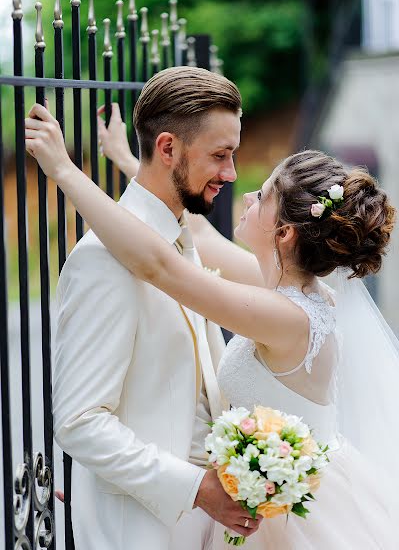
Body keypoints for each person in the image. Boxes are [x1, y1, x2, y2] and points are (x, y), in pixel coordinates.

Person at [25, 96, 399, 548]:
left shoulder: (285, 315)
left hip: (294, 520)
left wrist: (63, 171)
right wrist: (132, 158)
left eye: (263, 196)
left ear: (283, 233)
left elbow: (161, 266)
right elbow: (193, 232)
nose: (244, 191)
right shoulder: (292, 290)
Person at [27, 67, 264, 550]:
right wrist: (196, 489)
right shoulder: (101, 261)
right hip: (137, 530)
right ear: (168, 148)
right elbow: (79, 421)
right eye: (220, 155)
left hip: (205, 527)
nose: (232, 173)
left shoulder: (180, 239)